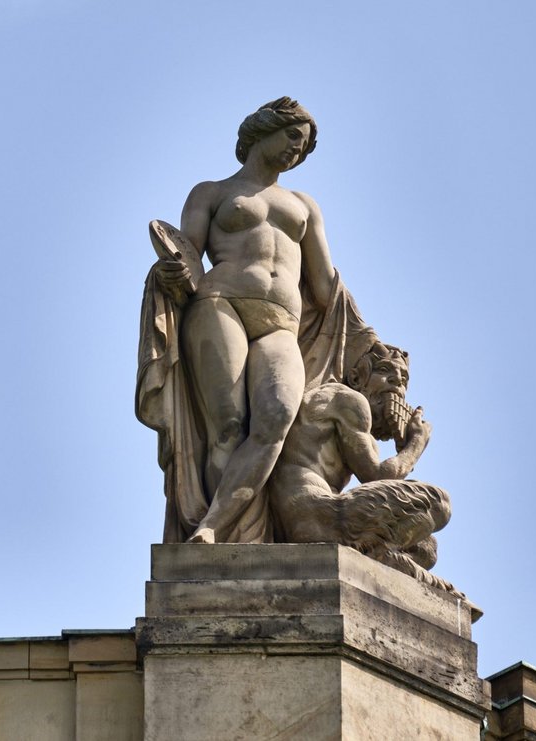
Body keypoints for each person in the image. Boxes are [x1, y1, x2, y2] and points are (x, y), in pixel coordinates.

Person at [137, 97, 372, 543]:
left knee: (278, 415)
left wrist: (366, 340)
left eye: (302, 148)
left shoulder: (304, 205)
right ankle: (214, 535)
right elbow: (186, 259)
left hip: (281, 322)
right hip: (219, 304)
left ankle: (220, 528)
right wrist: (167, 274)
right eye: (291, 138)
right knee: (227, 423)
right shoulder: (211, 192)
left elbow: (326, 289)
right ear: (263, 130)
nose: (295, 152)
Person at [267, 342, 463, 598]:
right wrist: (416, 445)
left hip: (313, 517)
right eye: (385, 371)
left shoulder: (355, 421)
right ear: (357, 378)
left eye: (403, 380)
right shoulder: (348, 400)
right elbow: (377, 476)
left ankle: (382, 556)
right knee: (439, 502)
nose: (397, 384)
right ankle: (380, 556)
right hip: (315, 513)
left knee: (426, 547)